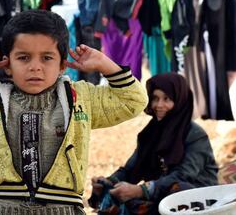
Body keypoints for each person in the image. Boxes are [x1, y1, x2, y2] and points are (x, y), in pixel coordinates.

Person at [0, 9, 148, 214]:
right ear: (7, 64)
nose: (35, 66)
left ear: (61, 65)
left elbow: (134, 101)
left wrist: (105, 64)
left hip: (63, 208)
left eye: (47, 58)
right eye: (23, 57)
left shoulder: (81, 99)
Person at [90, 72, 218, 214]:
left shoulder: (195, 135)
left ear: (180, 101)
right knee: (116, 203)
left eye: (166, 99)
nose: (159, 105)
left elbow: (184, 175)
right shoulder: (150, 133)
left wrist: (141, 190)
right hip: (160, 196)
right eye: (155, 98)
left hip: (198, 198)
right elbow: (131, 169)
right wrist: (107, 183)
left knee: (179, 192)